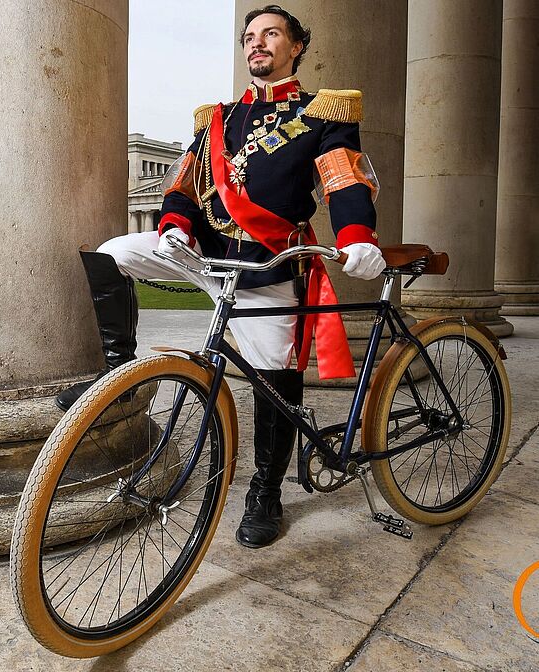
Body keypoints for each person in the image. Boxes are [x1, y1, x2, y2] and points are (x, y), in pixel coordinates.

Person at [56, 4, 386, 549]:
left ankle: (267, 490)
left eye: (272, 34)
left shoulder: (323, 113)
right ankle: (116, 377)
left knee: (273, 379)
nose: (258, 44)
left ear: (296, 46)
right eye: (250, 36)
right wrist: (175, 226)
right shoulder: (218, 119)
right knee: (115, 252)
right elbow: (185, 182)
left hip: (265, 264)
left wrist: (356, 238)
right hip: (205, 254)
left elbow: (343, 179)